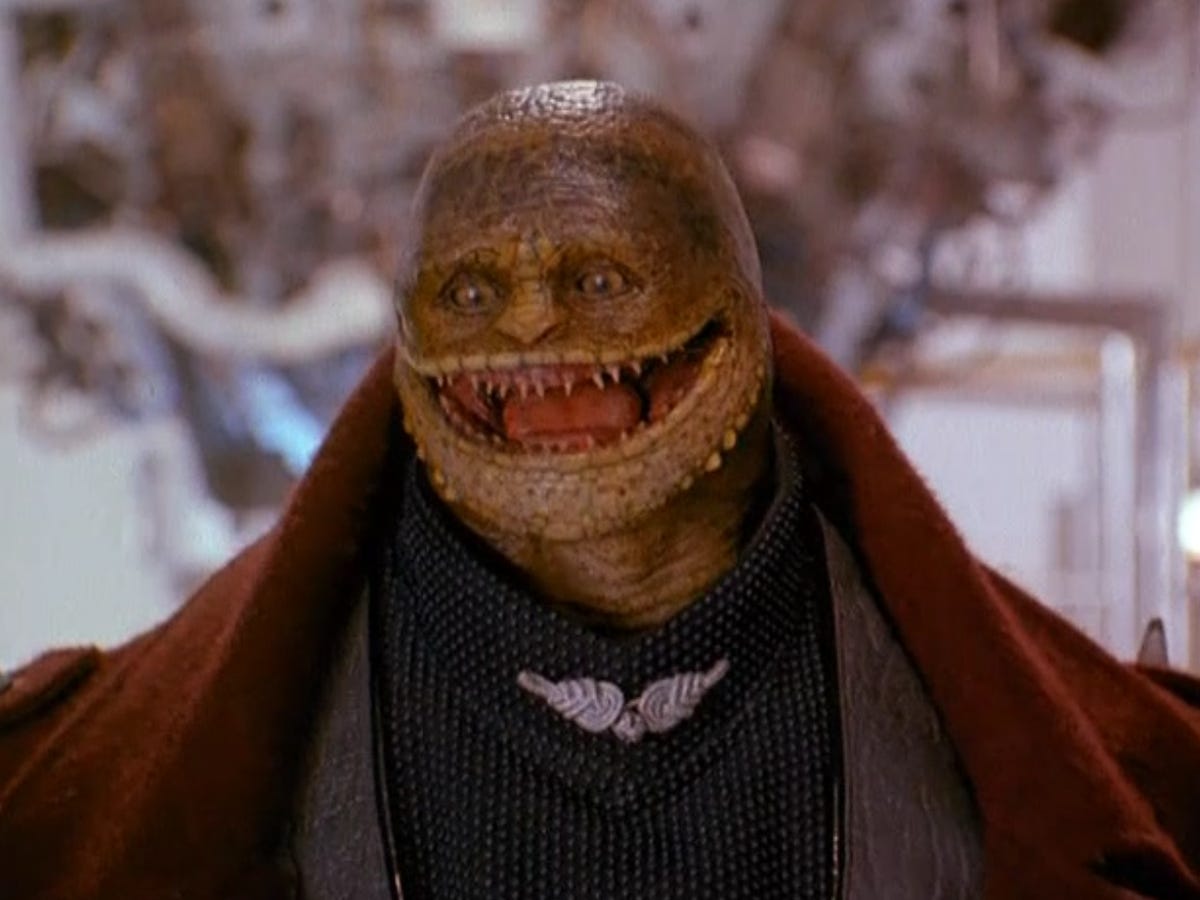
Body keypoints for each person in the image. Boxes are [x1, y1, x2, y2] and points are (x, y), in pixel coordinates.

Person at [2, 80, 1198, 900]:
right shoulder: (37, 803)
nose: (530, 324)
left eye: (603, 276)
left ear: (738, 310)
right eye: (471, 292)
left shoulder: (1169, 783)